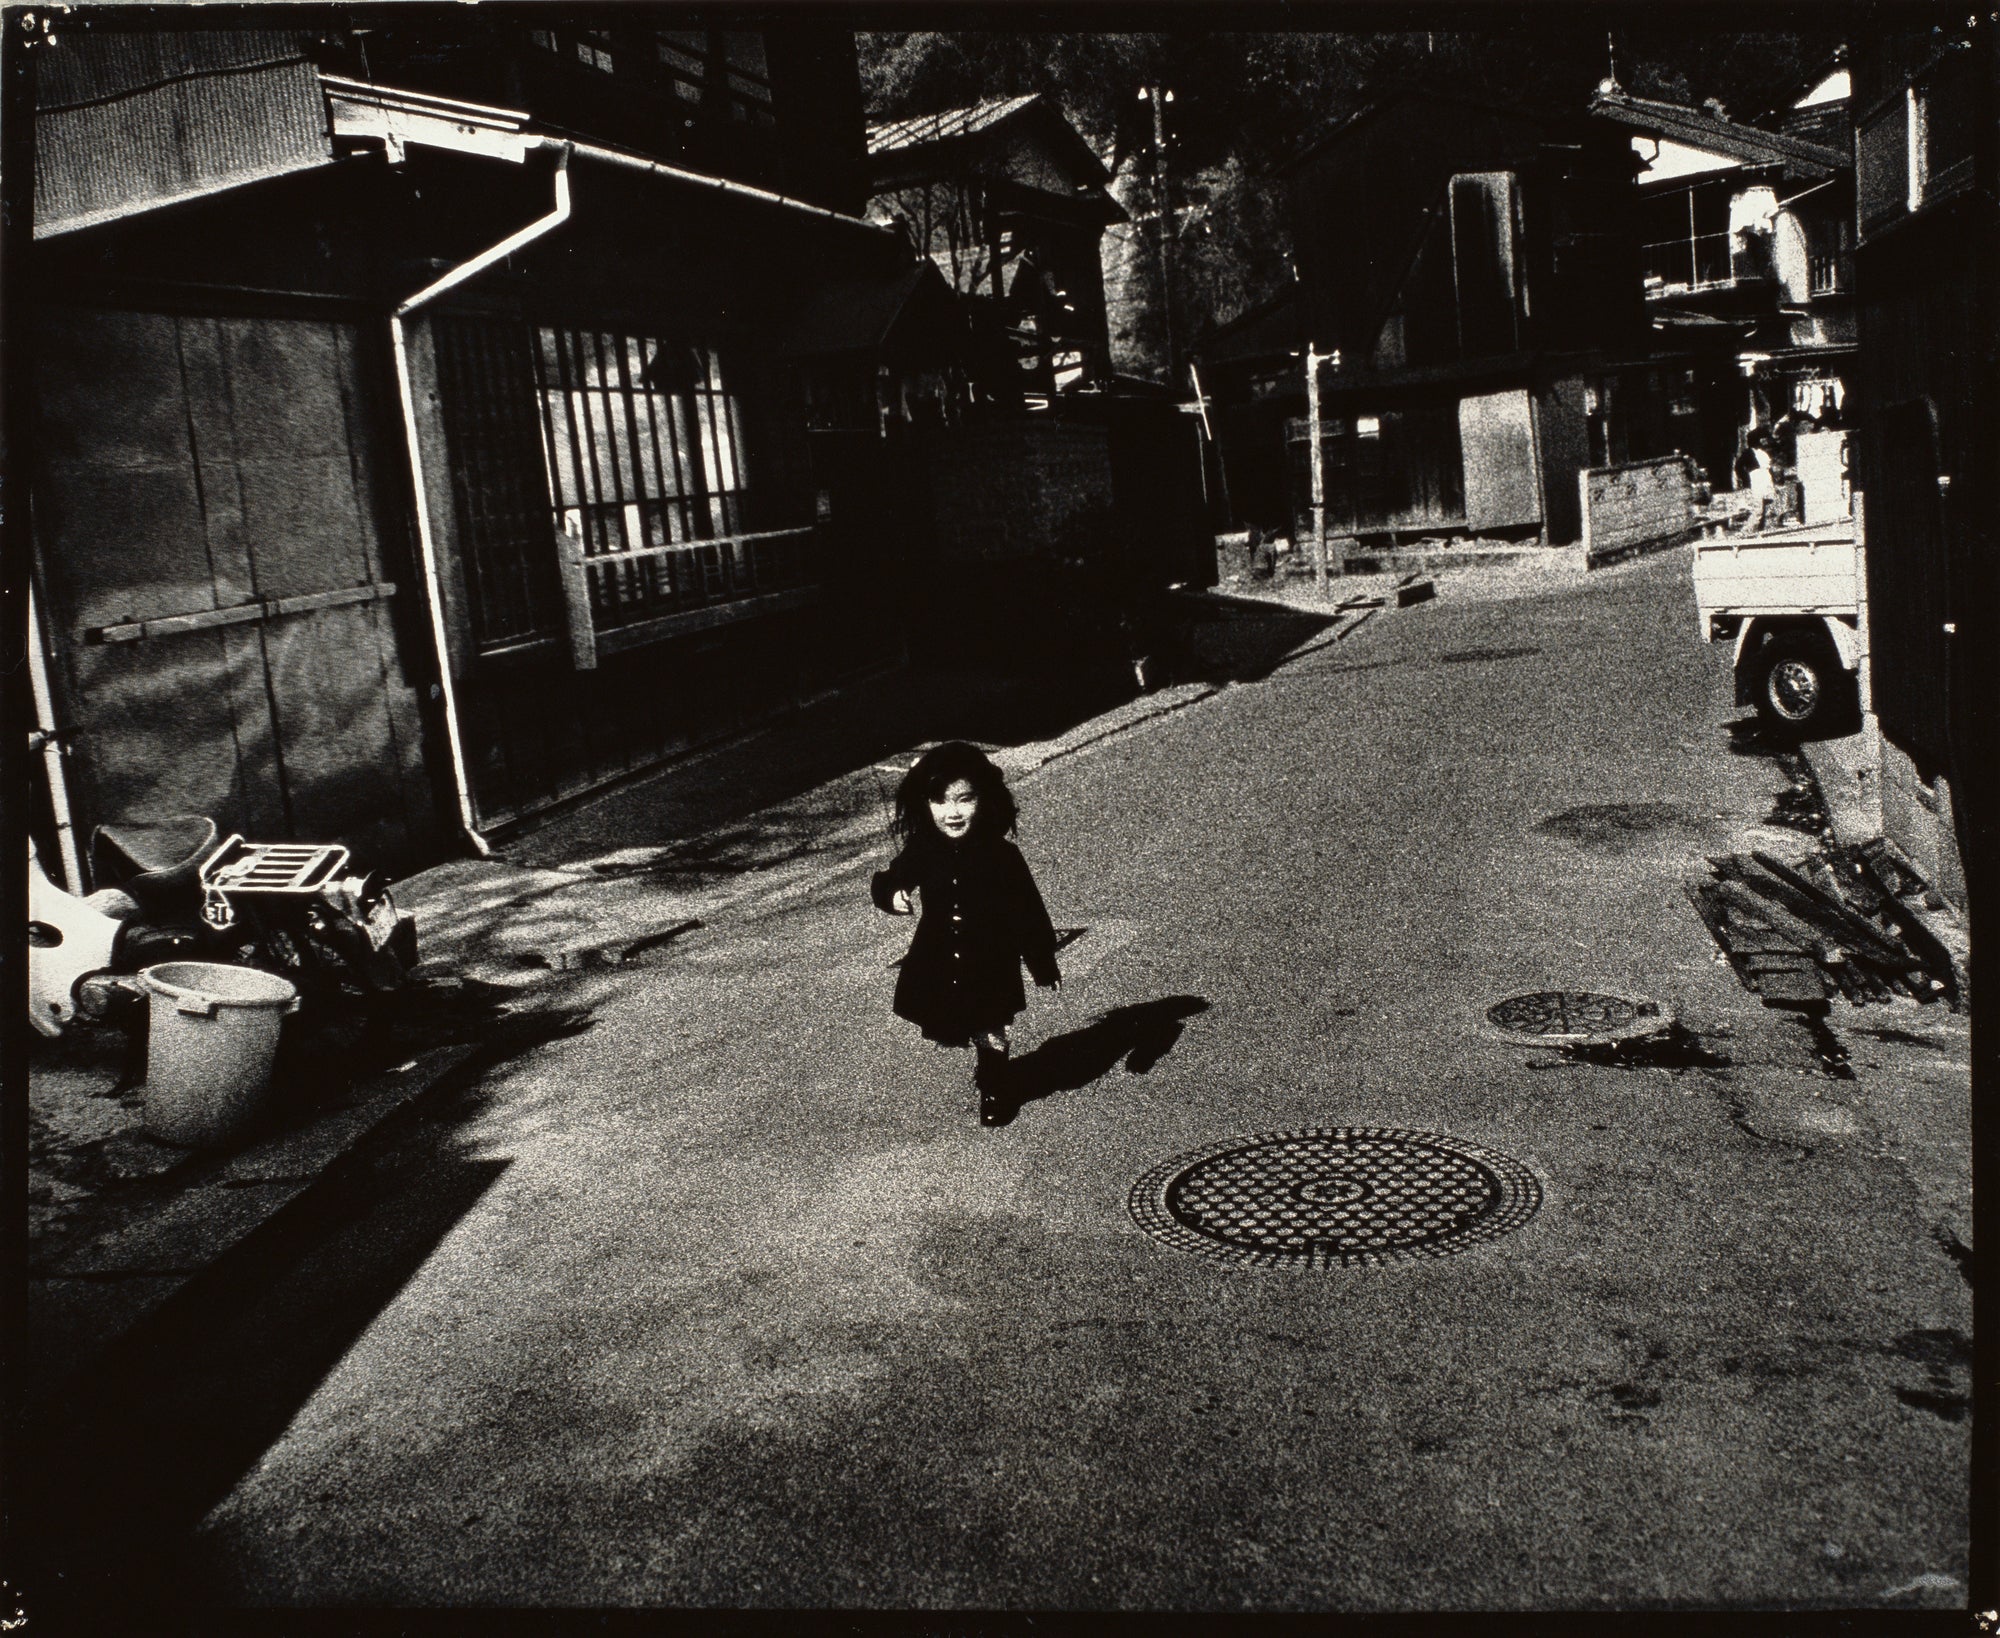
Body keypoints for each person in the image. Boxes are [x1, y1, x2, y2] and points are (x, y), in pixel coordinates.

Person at [871, 741, 1061, 1126]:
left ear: (984, 800)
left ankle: (995, 1089)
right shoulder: (924, 849)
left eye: (964, 799)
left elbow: (1029, 912)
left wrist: (1043, 963)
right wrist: (893, 894)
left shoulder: (1001, 855)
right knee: (961, 1020)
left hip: (993, 957)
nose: (953, 812)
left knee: (992, 1025)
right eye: (941, 801)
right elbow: (892, 878)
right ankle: (985, 1058)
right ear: (926, 805)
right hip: (940, 954)